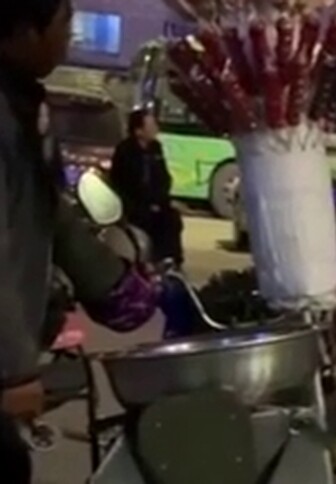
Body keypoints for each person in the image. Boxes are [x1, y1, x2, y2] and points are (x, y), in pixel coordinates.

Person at [0, 2, 158, 481]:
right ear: (24, 32)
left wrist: (112, 283)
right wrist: (13, 369)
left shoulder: (22, 103)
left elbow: (53, 213)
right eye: (63, 24)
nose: (68, 38)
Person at [110, 109, 184, 268]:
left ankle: (169, 261)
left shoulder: (156, 148)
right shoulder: (125, 151)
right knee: (144, 220)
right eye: (151, 126)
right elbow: (120, 183)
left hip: (156, 202)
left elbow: (163, 178)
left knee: (171, 219)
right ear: (138, 131)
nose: (156, 129)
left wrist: (160, 200)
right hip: (134, 204)